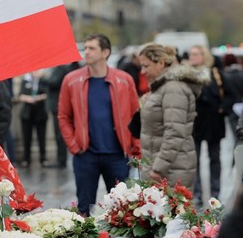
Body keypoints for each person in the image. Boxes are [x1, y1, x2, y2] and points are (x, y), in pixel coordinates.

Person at [58, 33, 140, 215]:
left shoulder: (124, 80)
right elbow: (63, 116)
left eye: (91, 48)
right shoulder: (71, 80)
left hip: (118, 155)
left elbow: (136, 116)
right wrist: (73, 145)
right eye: (85, 48)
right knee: (84, 209)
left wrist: (136, 147)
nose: (86, 52)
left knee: (122, 210)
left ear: (105, 53)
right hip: (85, 155)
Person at [138, 44, 209, 188]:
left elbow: (174, 133)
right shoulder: (163, 87)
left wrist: (158, 169)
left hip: (170, 170)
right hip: (164, 167)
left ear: (161, 63)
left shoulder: (174, 89)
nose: (143, 71)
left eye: (146, 66)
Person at [189, 45, 235, 204]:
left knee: (215, 159)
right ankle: (198, 193)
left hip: (214, 123)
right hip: (195, 124)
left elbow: (230, 95)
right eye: (191, 54)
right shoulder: (188, 75)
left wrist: (223, 108)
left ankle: (216, 193)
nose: (192, 57)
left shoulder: (216, 74)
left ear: (204, 55)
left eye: (195, 54)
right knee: (194, 160)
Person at [42, 62, 80, 168]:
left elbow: (54, 82)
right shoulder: (60, 68)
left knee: (59, 135)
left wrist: (42, 78)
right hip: (56, 106)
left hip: (57, 106)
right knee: (58, 134)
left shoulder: (61, 68)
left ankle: (61, 160)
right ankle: (60, 158)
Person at [19, 70, 48, 168]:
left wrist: (38, 97)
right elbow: (20, 95)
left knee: (41, 137)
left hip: (40, 113)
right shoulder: (25, 81)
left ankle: (43, 158)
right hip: (27, 114)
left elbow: (47, 93)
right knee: (27, 137)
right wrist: (28, 98)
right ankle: (26, 158)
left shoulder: (43, 81)